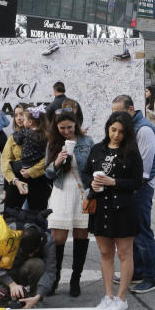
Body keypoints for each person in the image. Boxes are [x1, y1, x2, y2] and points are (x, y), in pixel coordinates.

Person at [81, 111, 144, 310]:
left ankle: (121, 298)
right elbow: (84, 172)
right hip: (100, 208)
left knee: (125, 254)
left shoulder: (132, 152)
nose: (116, 135)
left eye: (121, 132)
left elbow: (136, 182)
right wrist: (91, 182)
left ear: (127, 133)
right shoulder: (97, 149)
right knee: (105, 253)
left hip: (123, 209)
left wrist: (113, 181)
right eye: (113, 130)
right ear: (108, 128)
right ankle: (108, 296)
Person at [111, 95, 155, 294]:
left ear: (131, 109)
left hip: (141, 187)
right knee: (133, 232)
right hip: (131, 186)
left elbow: (144, 169)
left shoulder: (144, 130)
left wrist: (126, 186)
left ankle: (152, 276)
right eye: (113, 112)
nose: (115, 116)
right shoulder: (129, 128)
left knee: (142, 232)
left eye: (119, 112)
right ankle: (138, 272)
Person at [44, 110, 94, 297]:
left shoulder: (87, 142)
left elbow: (93, 166)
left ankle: (75, 279)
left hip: (82, 192)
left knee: (81, 236)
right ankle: (55, 279)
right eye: (62, 128)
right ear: (56, 127)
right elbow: (47, 174)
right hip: (61, 190)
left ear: (76, 125)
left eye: (70, 127)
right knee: (58, 239)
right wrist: (56, 162)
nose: (66, 131)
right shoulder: (53, 143)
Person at [0, 224, 57, 308]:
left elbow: (50, 272)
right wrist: (11, 284)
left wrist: (38, 296)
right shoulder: (6, 234)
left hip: (23, 270)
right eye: (26, 253)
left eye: (33, 252)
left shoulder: (47, 241)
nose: (30, 255)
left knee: (37, 264)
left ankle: (33, 300)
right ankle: (8, 306)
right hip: (1, 275)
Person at [3, 105, 51, 213]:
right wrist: (15, 181)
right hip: (17, 180)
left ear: (31, 121)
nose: (19, 118)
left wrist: (31, 171)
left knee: (37, 217)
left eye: (21, 115)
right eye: (16, 115)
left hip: (38, 180)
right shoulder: (13, 137)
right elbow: (5, 162)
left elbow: (48, 158)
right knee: (10, 216)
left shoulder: (44, 135)